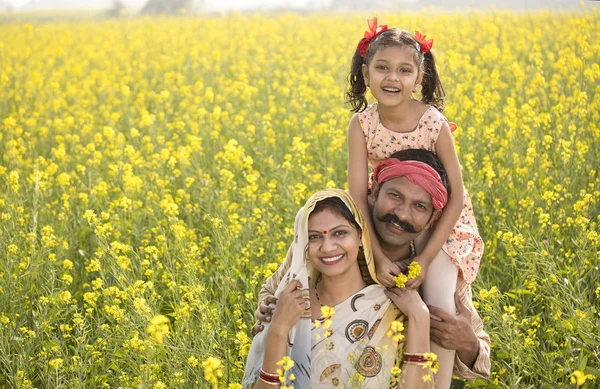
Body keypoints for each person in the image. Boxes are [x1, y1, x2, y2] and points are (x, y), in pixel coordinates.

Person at [253, 149, 490, 384]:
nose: (402, 214)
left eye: (419, 206)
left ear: (433, 219)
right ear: (374, 190)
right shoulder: (334, 240)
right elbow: (274, 290)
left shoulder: (438, 270)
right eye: (395, 196)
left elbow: (479, 359)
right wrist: (268, 310)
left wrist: (466, 342)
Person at [346, 19, 484, 388]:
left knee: (439, 297)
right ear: (366, 73)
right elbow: (358, 196)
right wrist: (378, 255)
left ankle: (437, 385)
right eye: (382, 68)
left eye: (405, 70)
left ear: (419, 77)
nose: (393, 78)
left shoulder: (433, 122)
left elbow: (455, 197)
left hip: (443, 222)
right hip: (388, 214)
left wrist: (424, 260)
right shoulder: (361, 124)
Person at [243, 189, 436, 388]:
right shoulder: (290, 303)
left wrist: (420, 317)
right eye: (315, 237)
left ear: (360, 236)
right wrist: (278, 329)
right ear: (303, 244)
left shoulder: (389, 310)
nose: (327, 247)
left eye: (340, 233)